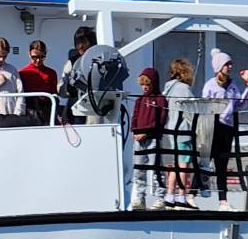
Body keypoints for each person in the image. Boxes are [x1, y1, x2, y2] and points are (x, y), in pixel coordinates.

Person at [200, 49, 248, 198]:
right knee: (206, 160)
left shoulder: (233, 85)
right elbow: (204, 106)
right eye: (226, 64)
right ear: (218, 67)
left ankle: (223, 199)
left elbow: (239, 106)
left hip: (228, 127)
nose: (230, 67)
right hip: (214, 125)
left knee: (222, 162)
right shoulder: (210, 85)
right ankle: (196, 192)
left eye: (230, 64)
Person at [60, 25, 128, 125]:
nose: (80, 46)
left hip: (99, 112)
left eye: (83, 42)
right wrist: (68, 88)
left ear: (91, 42)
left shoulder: (103, 62)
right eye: (77, 43)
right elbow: (61, 89)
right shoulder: (72, 63)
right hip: (76, 113)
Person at [130, 67, 168, 208]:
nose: (145, 87)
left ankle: (160, 198)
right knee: (139, 170)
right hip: (139, 140)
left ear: (154, 83)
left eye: (147, 84)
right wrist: (134, 131)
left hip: (153, 139)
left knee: (157, 169)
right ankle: (140, 198)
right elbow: (134, 116)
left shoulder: (160, 100)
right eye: (142, 84)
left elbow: (160, 121)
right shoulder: (140, 100)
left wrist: (147, 133)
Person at [162, 57, 198, 202]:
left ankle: (170, 194)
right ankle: (182, 195)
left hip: (171, 128)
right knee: (183, 164)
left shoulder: (168, 88)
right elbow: (192, 110)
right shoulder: (184, 89)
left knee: (176, 163)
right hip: (183, 130)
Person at [18, 39, 59, 125]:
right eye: (34, 57)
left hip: (47, 112)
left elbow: (54, 94)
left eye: (41, 57)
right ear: (29, 55)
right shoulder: (22, 73)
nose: (38, 60)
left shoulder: (51, 73)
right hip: (29, 112)